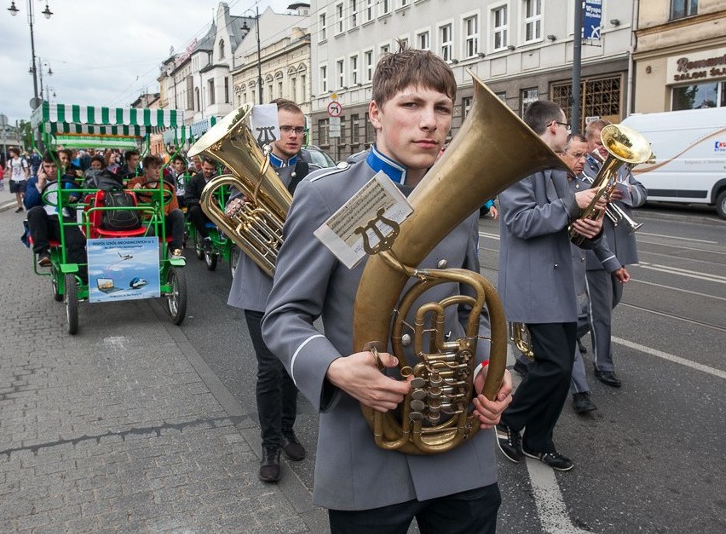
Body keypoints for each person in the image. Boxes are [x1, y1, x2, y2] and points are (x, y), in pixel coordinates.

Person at [262, 48, 513, 533]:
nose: (431, 122)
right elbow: (285, 315)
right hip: (368, 442)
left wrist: (491, 367)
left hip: (455, 438)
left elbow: (471, 313)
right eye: (412, 105)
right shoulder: (330, 194)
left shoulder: (461, 192)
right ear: (376, 113)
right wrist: (334, 369)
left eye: (442, 108)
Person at [493, 101, 604, 472]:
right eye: (566, 125)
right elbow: (522, 222)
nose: (569, 130)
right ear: (554, 127)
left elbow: (565, 225)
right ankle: (510, 420)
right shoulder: (520, 165)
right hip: (532, 283)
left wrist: (590, 229)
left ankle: (540, 440)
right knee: (554, 365)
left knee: (558, 369)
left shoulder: (557, 167)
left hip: (556, 281)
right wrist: (573, 205)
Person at [225, 98, 318, 483]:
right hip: (259, 285)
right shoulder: (250, 171)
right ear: (271, 131)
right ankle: (270, 445)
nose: (293, 135)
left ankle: (288, 428)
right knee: (269, 369)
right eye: (285, 128)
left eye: (298, 129)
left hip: (297, 284)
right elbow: (231, 220)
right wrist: (234, 209)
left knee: (291, 370)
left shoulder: (311, 173)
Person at [581, 120, 645, 388]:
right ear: (589, 143)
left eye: (609, 146)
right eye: (600, 144)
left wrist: (627, 191)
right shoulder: (583, 167)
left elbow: (643, 193)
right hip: (597, 247)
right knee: (602, 311)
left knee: (611, 302)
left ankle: (567, 332)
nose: (606, 151)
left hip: (621, 244)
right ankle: (603, 365)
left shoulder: (623, 166)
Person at [24, 154, 87, 268]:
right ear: (42, 166)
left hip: (62, 219)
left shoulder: (67, 180)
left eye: (54, 166)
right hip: (42, 222)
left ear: (59, 165)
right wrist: (40, 186)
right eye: (47, 167)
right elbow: (28, 203)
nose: (51, 170)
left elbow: (76, 192)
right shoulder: (33, 181)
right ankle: (43, 254)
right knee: (35, 211)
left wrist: (72, 196)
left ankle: (82, 276)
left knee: (78, 240)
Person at [127, 155, 184, 257]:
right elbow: (127, 196)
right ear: (145, 169)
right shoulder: (136, 182)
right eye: (154, 168)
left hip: (163, 221)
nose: (158, 171)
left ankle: (176, 250)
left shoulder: (168, 186)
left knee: (178, 213)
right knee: (148, 230)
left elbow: (173, 209)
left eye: (159, 168)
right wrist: (134, 190)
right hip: (147, 221)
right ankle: (148, 257)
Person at [183, 157, 218, 247]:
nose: (209, 171)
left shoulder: (217, 179)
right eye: (206, 168)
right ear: (202, 166)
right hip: (201, 211)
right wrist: (200, 201)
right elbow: (187, 199)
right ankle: (206, 237)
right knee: (194, 210)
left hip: (215, 210)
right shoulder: (194, 180)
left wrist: (217, 201)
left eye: (211, 169)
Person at [7, 147, 30, 213]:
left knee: (23, 193)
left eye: (11, 152)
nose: (10, 153)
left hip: (22, 178)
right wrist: (10, 178)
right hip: (14, 179)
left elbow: (26, 169)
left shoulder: (22, 160)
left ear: (15, 152)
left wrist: (26, 178)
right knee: (17, 193)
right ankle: (20, 206)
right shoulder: (10, 161)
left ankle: (27, 204)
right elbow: (10, 170)